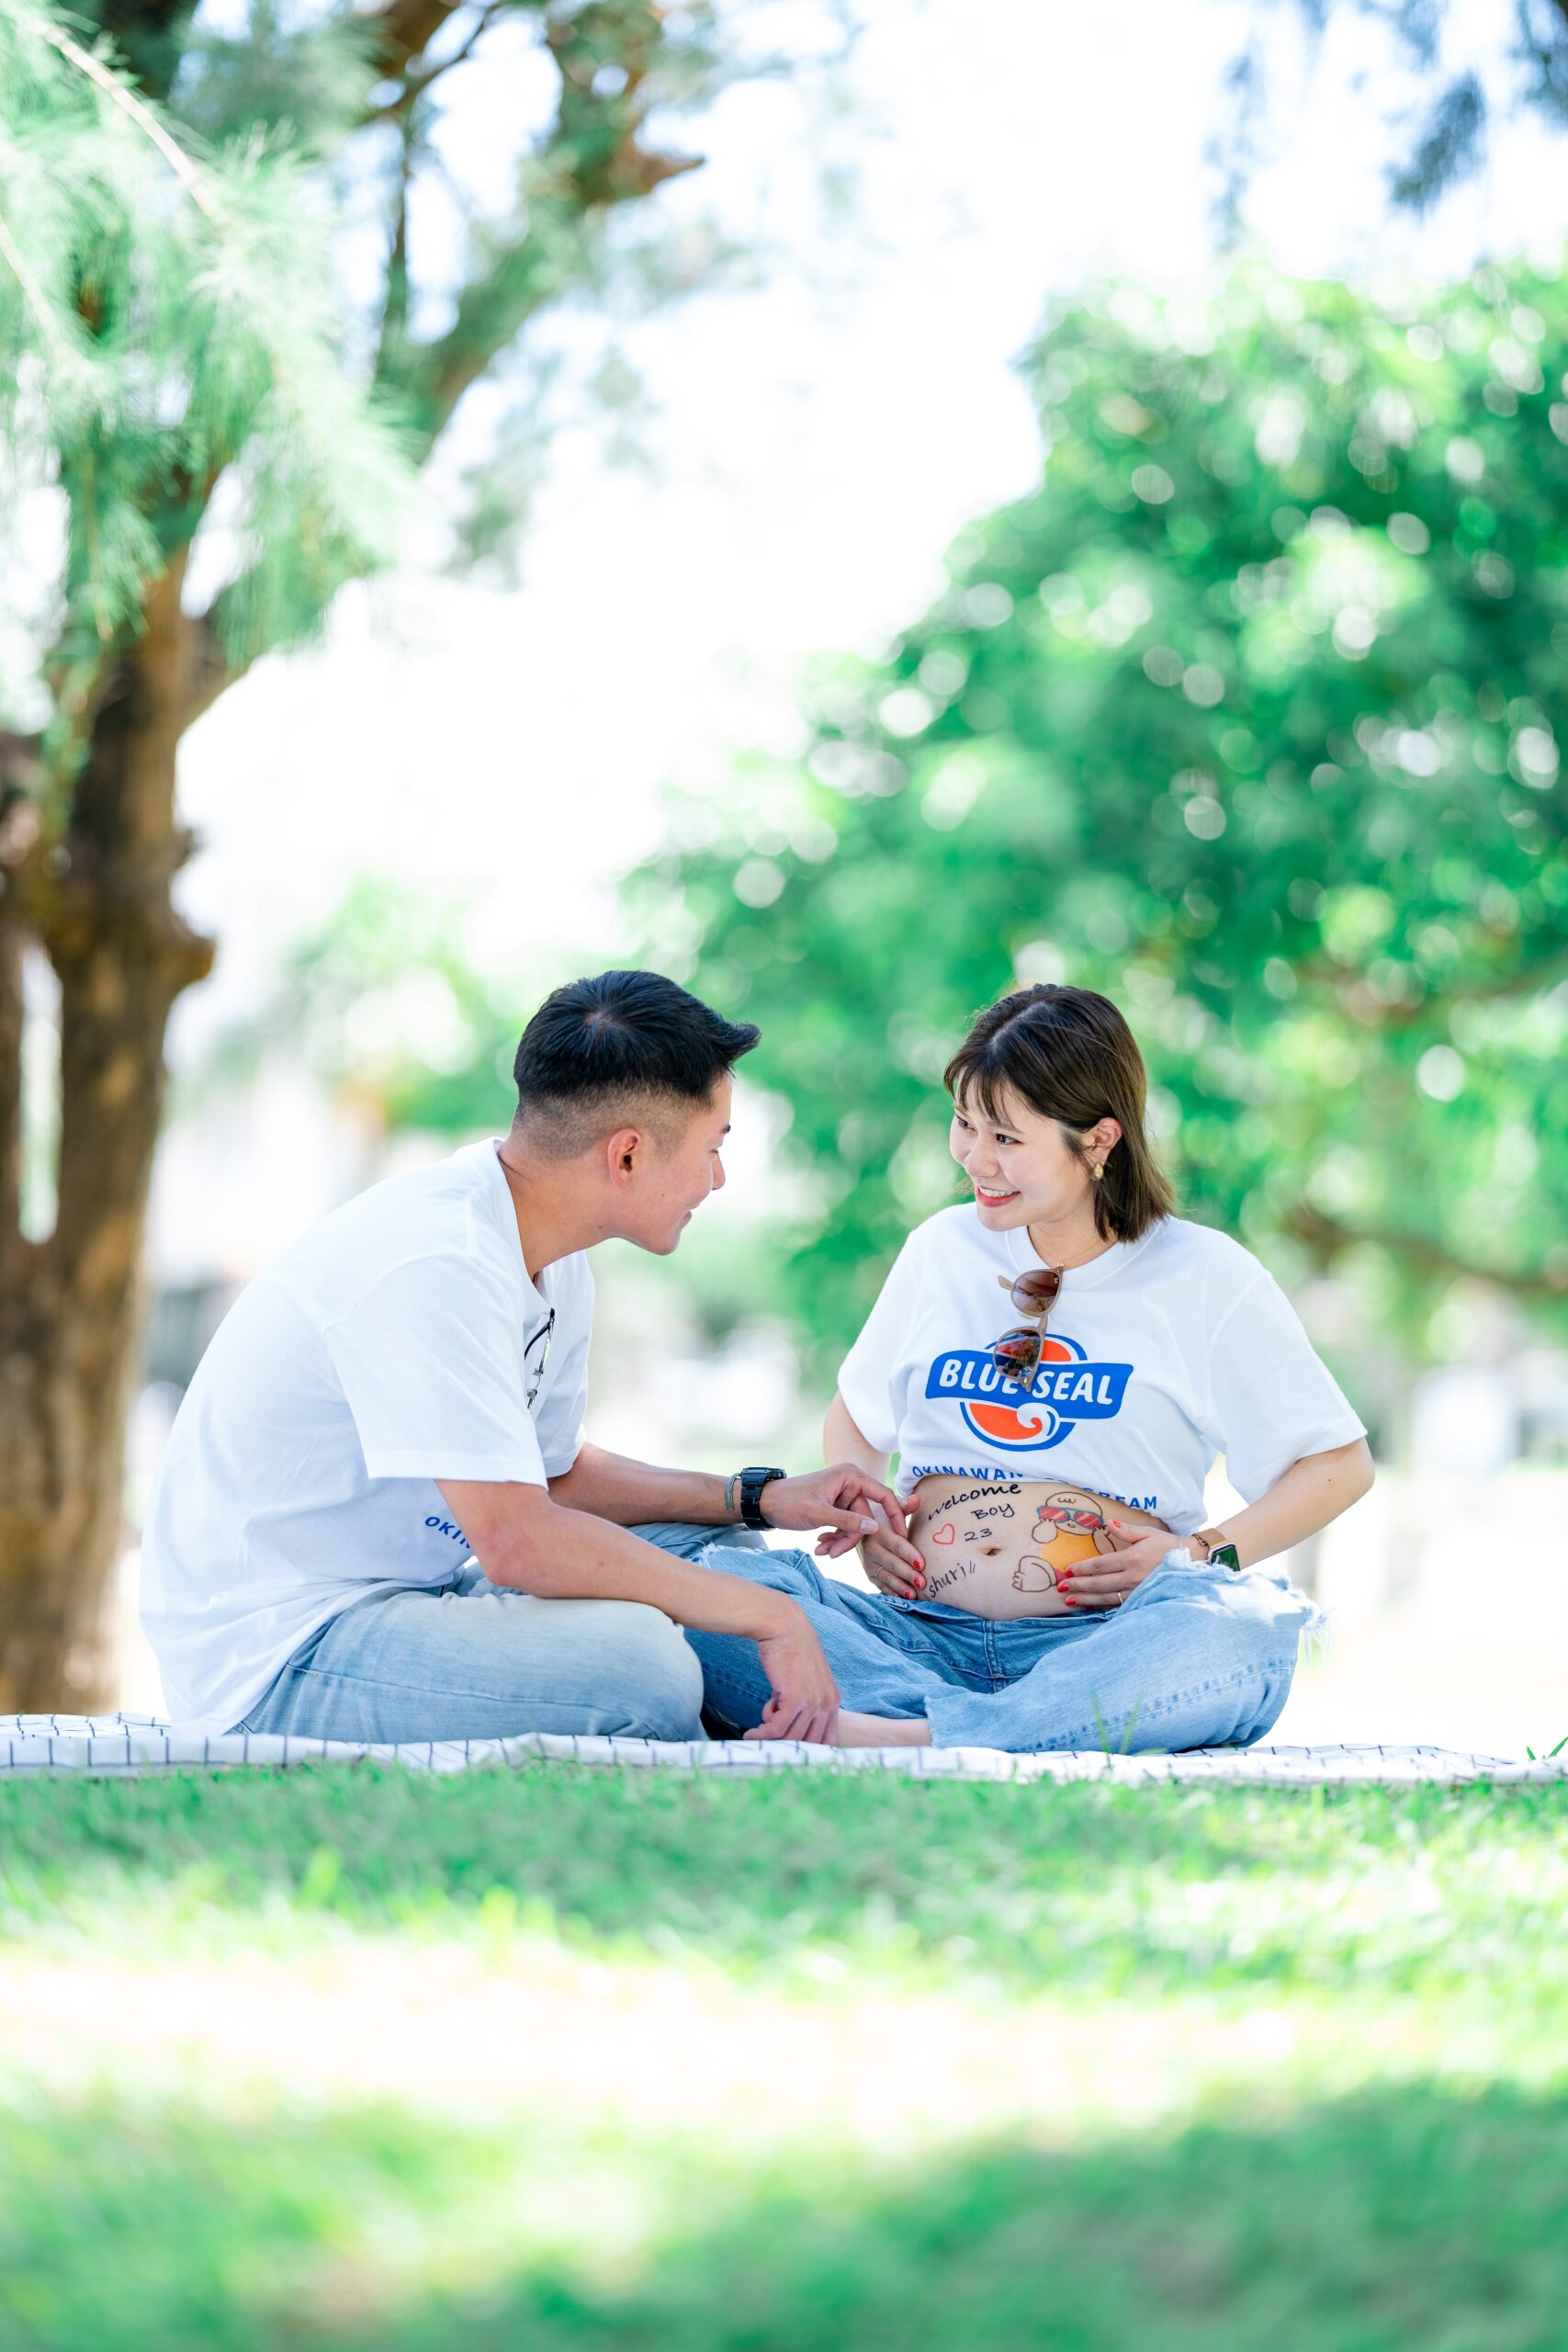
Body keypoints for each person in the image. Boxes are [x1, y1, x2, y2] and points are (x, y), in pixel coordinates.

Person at [141, 971, 902, 1744]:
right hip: (282, 1654)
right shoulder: (436, 1258)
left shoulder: (548, 1252)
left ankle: (870, 1719)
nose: (718, 1178)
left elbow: (552, 1476)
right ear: (628, 1155)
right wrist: (769, 1617)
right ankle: (848, 1733)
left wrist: (755, 1497)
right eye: (713, 1148)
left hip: (412, 1604)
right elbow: (516, 1541)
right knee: (643, 1669)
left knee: (713, 1549)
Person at [642, 983, 1373, 1751]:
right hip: (912, 1634)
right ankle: (976, 1729)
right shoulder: (941, 1250)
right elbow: (856, 1416)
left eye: (1006, 1139)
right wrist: (866, 1520)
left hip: (1106, 1643)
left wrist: (1201, 1554)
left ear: (1097, 1140)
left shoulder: (1203, 1275)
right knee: (699, 1583)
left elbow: (1338, 1464)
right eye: (963, 1124)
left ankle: (905, 1735)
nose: (973, 1159)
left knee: (1244, 1638)